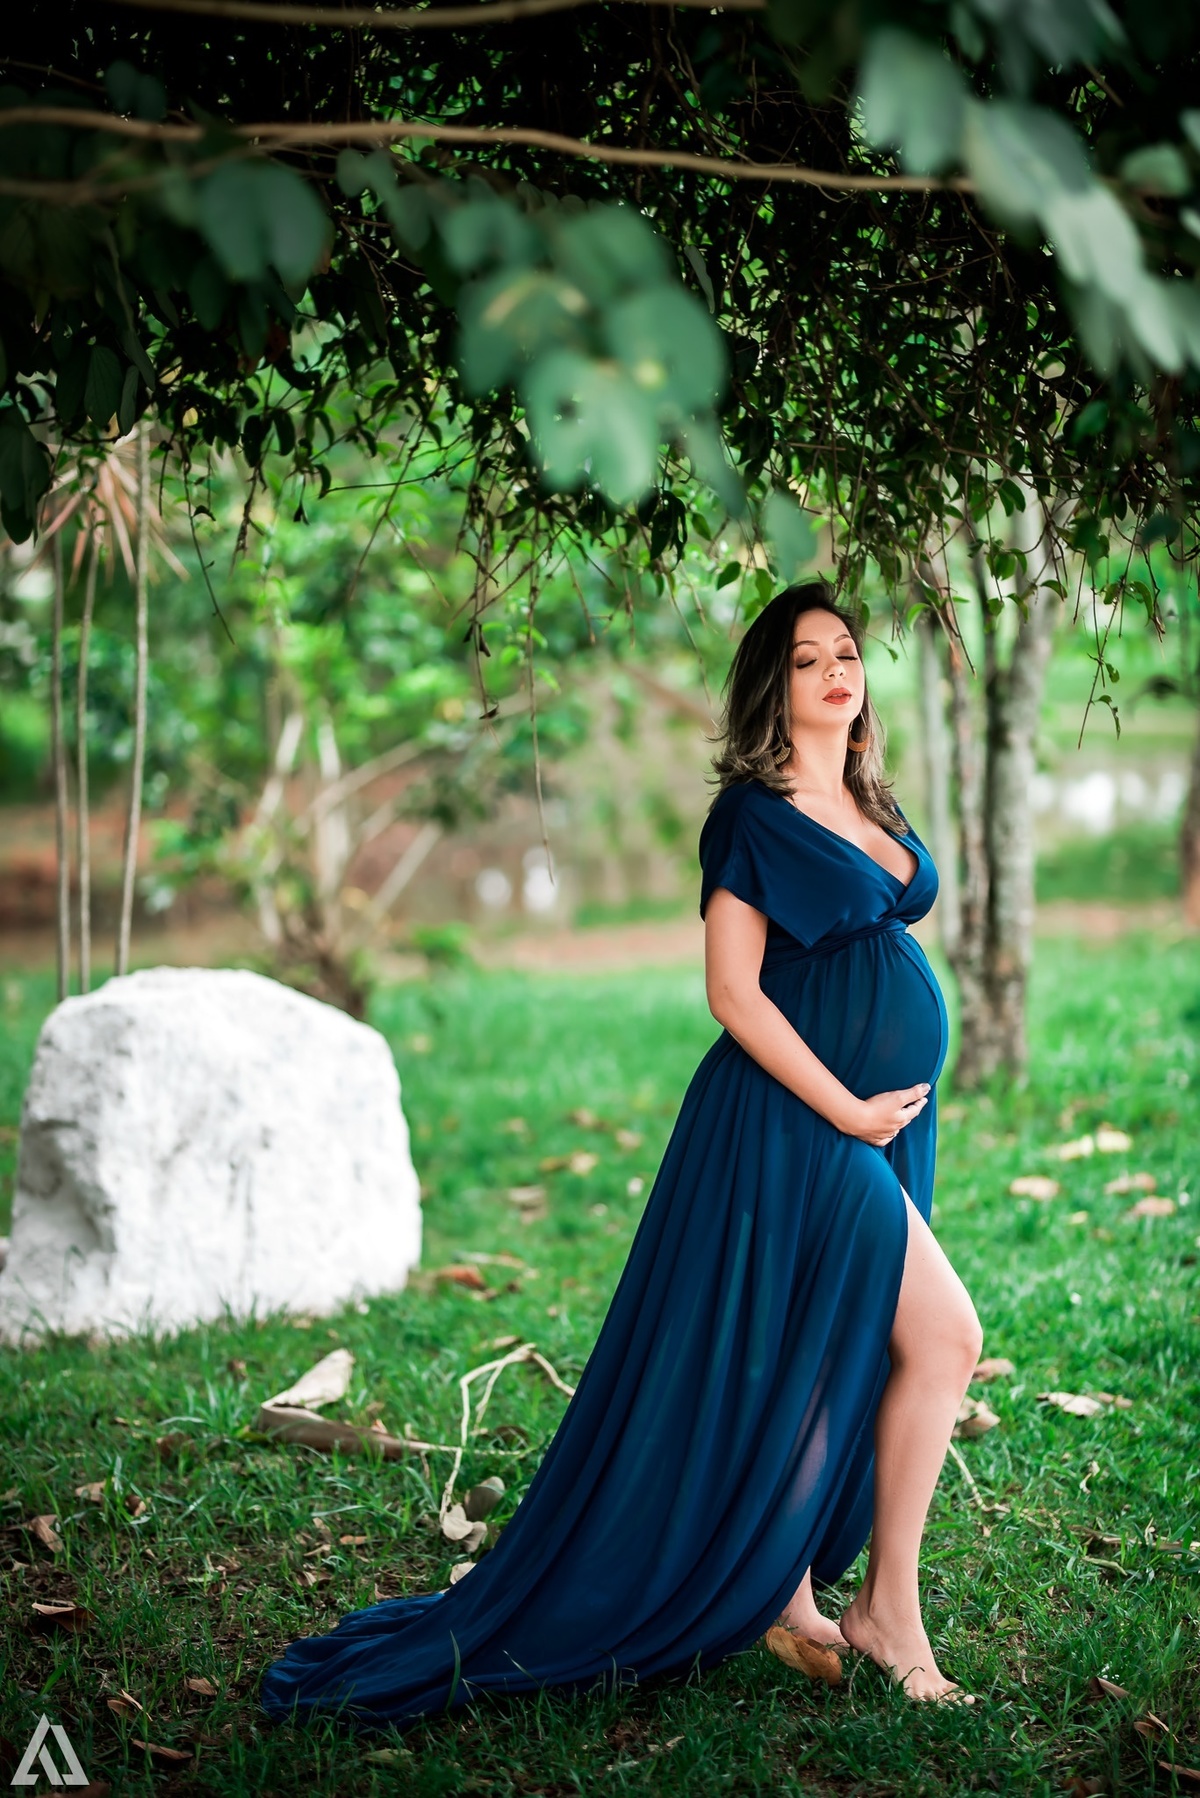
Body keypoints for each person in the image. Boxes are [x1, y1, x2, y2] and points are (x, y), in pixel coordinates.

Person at [259, 582, 983, 1730]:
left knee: (820, 1345)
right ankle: (887, 1611)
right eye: (807, 659)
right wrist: (846, 1109)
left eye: (846, 652)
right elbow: (733, 991)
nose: (837, 671)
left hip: (873, 1119)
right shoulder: (751, 816)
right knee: (943, 1334)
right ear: (773, 685)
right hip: (795, 1122)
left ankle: (786, 1581)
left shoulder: (870, 798)